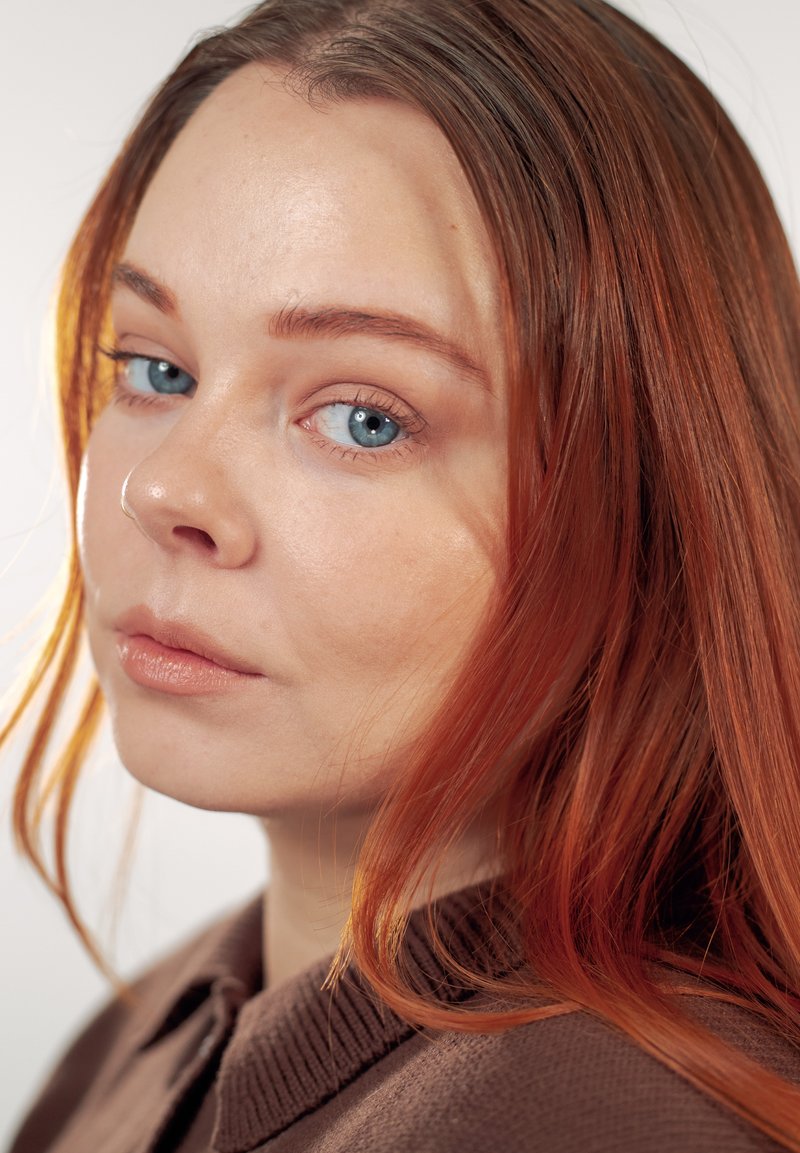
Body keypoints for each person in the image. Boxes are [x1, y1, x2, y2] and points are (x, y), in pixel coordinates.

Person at [5, 0, 800, 1149]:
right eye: (156, 368)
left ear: (647, 508)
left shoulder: (600, 1121)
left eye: (365, 418)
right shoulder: (144, 1040)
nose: (163, 492)